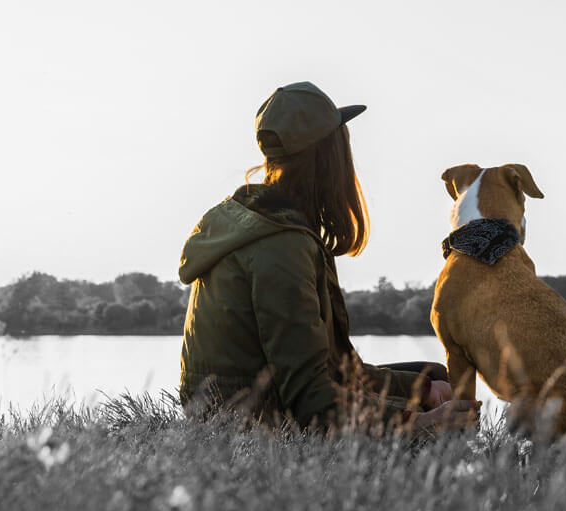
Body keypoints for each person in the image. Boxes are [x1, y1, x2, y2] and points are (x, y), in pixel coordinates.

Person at [178, 81, 480, 434]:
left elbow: (336, 367)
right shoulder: (280, 247)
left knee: (433, 378)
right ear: (328, 158)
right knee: (441, 421)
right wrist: (416, 423)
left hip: (256, 403)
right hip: (251, 421)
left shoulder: (272, 221)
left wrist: (422, 391)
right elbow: (309, 398)